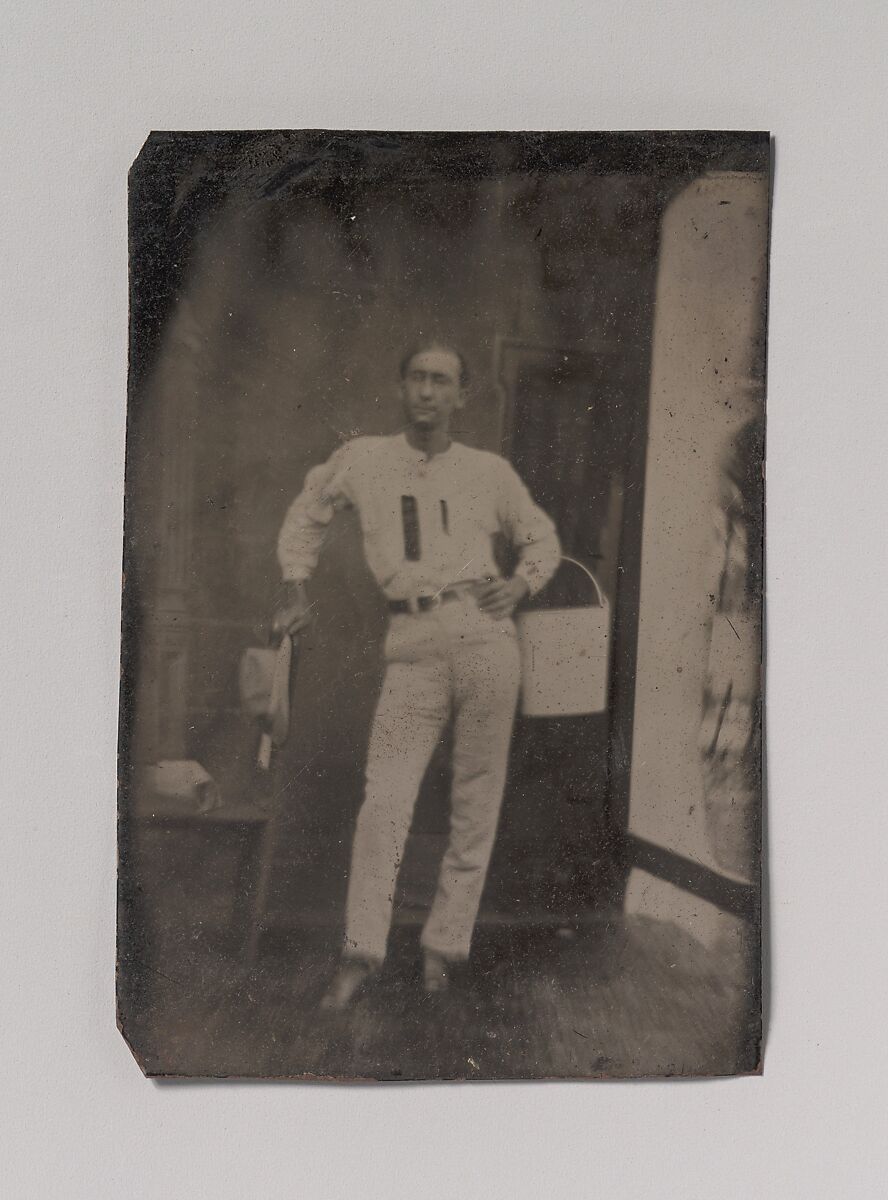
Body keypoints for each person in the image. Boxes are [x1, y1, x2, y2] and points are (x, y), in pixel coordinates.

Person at [273, 341, 560, 1009]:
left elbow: (540, 538)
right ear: (401, 388)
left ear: (462, 396)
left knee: (475, 800)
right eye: (419, 379)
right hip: (412, 642)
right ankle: (362, 953)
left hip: (487, 640)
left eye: (443, 382)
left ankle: (442, 947)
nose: (429, 392)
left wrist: (520, 585)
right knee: (386, 802)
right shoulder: (365, 460)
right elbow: (307, 511)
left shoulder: (489, 472)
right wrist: (294, 584)